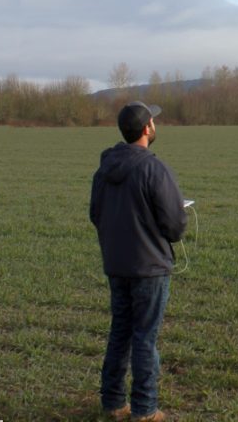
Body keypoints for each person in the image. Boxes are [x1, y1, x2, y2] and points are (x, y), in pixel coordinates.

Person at [90, 101, 187, 422]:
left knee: (120, 332)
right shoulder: (154, 169)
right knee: (145, 337)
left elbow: (96, 215)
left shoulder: (104, 169)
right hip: (149, 269)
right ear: (147, 129)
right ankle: (145, 410)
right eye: (154, 122)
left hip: (116, 264)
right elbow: (174, 225)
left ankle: (113, 402)